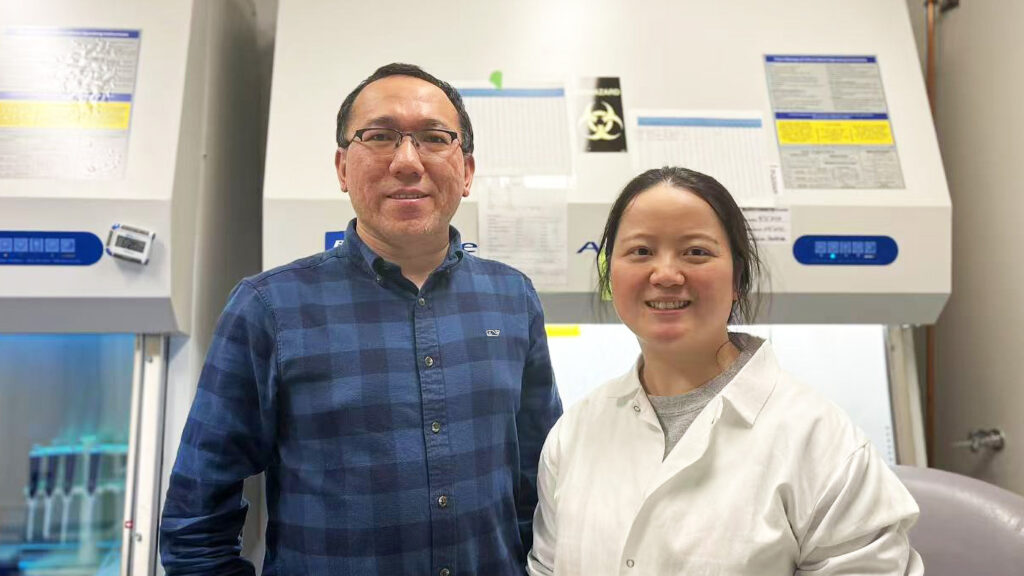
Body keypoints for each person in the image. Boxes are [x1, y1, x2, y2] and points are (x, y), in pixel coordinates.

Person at [160, 63, 562, 575]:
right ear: (342, 167)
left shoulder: (512, 298)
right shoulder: (269, 308)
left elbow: (540, 485)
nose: (408, 161)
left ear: (466, 171)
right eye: (380, 137)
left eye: (435, 138)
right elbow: (196, 520)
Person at [527, 167, 923, 575]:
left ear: (737, 277)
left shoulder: (820, 443)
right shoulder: (574, 434)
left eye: (696, 252)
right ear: (611, 273)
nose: (665, 274)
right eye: (641, 251)